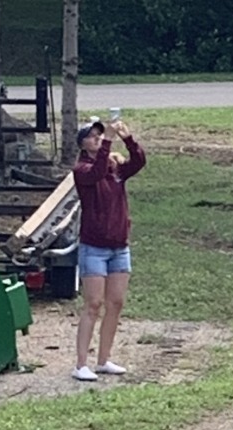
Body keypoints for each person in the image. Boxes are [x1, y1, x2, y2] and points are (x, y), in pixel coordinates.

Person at [72, 117, 146, 381]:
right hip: (94, 247)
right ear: (82, 143)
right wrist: (109, 143)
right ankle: (81, 363)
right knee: (93, 303)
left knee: (115, 303)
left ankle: (103, 359)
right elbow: (95, 172)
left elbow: (138, 163)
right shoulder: (82, 170)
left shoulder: (114, 167)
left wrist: (128, 139)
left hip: (118, 246)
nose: (97, 139)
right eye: (92, 136)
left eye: (99, 135)